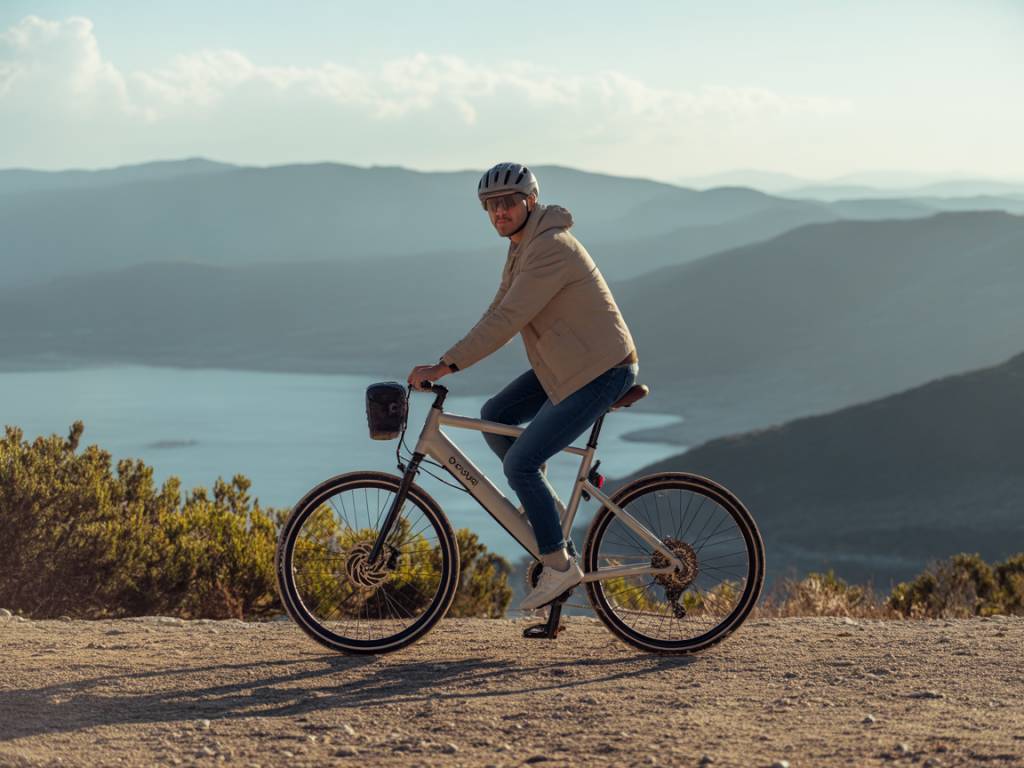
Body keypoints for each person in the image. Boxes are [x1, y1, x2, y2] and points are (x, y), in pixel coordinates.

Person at [407, 162, 638, 611]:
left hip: (602, 369)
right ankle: (548, 517)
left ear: (530, 202)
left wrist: (445, 366)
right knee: (495, 416)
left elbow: (509, 321)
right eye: (491, 206)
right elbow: (498, 309)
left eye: (508, 202)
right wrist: (448, 359)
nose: (499, 212)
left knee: (521, 465)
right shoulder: (522, 247)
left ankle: (558, 564)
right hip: (569, 363)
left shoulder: (549, 248)